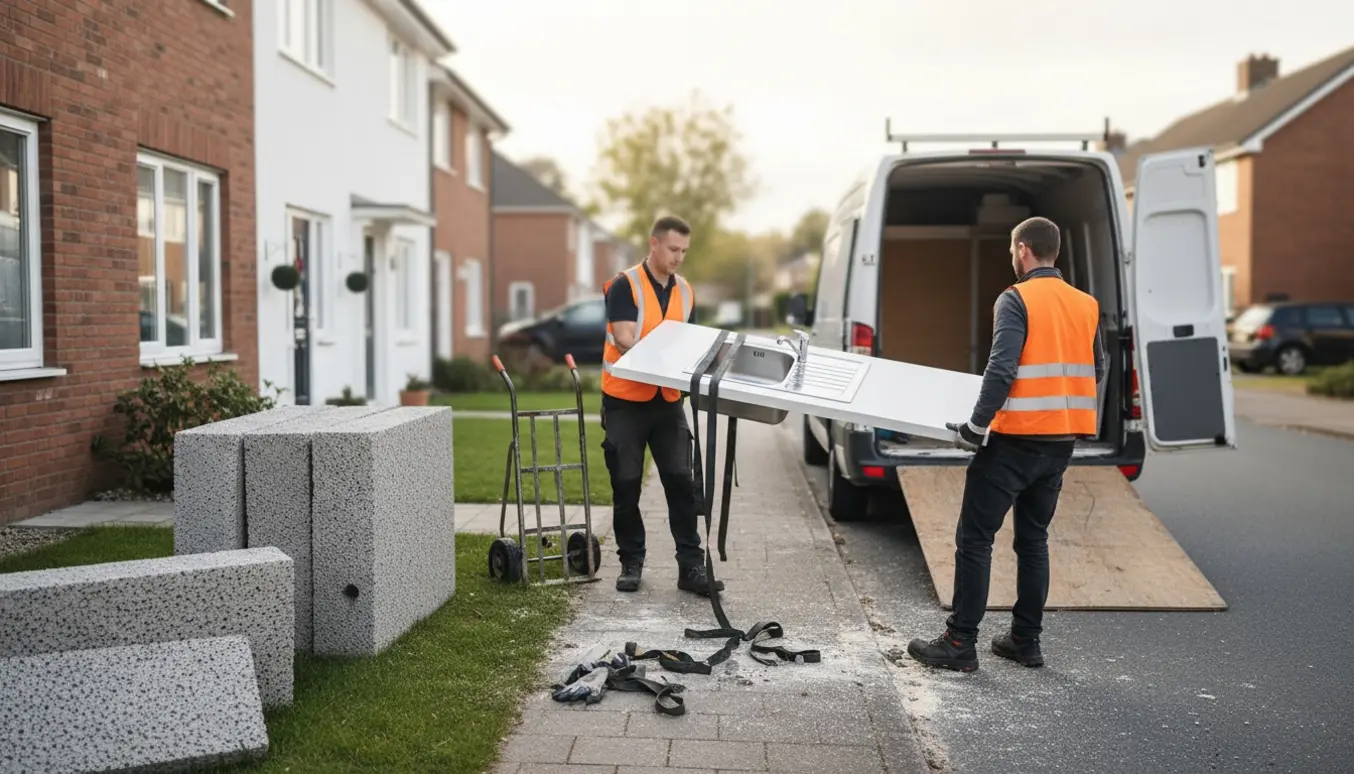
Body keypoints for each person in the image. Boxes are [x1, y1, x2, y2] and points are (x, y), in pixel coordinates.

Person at [908, 216, 1105, 672]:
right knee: (1033, 541)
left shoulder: (1015, 298)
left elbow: (1002, 368)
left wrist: (976, 428)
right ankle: (1024, 641)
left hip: (1014, 442)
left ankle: (960, 644)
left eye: (1012, 250)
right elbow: (1095, 371)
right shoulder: (1085, 304)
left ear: (1022, 250)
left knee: (975, 539)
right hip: (1060, 443)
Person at [600, 215, 724, 596]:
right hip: (625, 401)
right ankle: (631, 563)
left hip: (667, 403)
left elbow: (693, 341)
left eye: (684, 251)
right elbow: (623, 339)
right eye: (673, 249)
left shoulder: (685, 290)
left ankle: (691, 567)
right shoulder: (625, 285)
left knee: (681, 483)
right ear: (653, 244)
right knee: (626, 484)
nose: (678, 257)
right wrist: (664, 367)